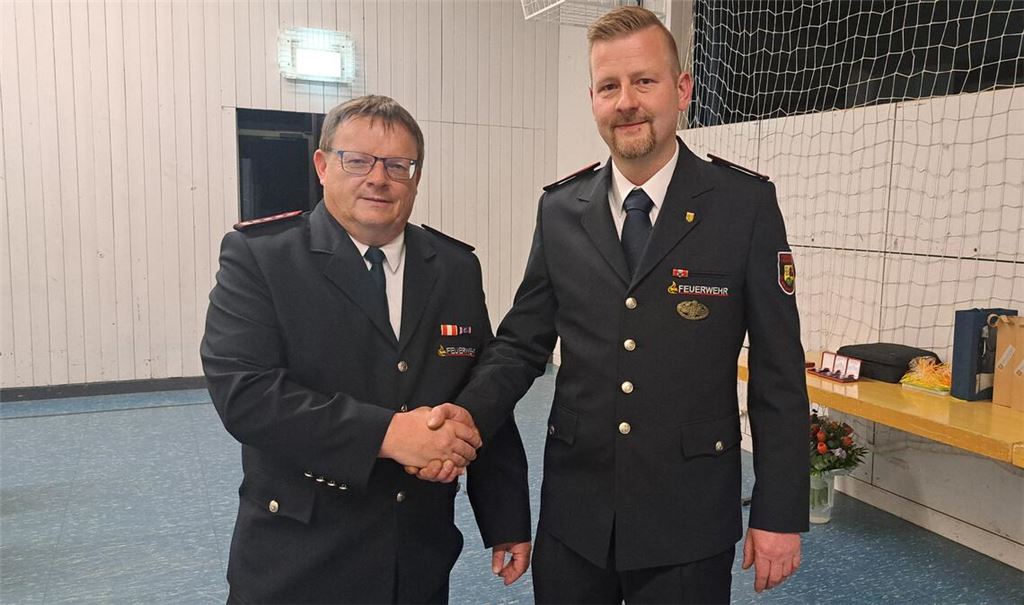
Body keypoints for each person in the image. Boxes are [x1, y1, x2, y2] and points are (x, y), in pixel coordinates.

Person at [422, 6, 809, 603]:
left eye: (644, 81)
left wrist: (780, 509)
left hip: (688, 513)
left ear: (682, 90)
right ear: (594, 99)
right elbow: (523, 341)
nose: (626, 101)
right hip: (576, 512)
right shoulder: (560, 209)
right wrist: (468, 414)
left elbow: (779, 370)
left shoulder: (743, 206)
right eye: (609, 86)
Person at [200, 95, 531, 604]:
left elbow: (478, 392)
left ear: (416, 177)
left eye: (399, 165)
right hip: (300, 555)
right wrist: (389, 434)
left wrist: (504, 515)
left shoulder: (455, 267)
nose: (379, 178)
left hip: (417, 550)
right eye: (357, 161)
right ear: (322, 166)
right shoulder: (262, 258)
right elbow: (247, 395)